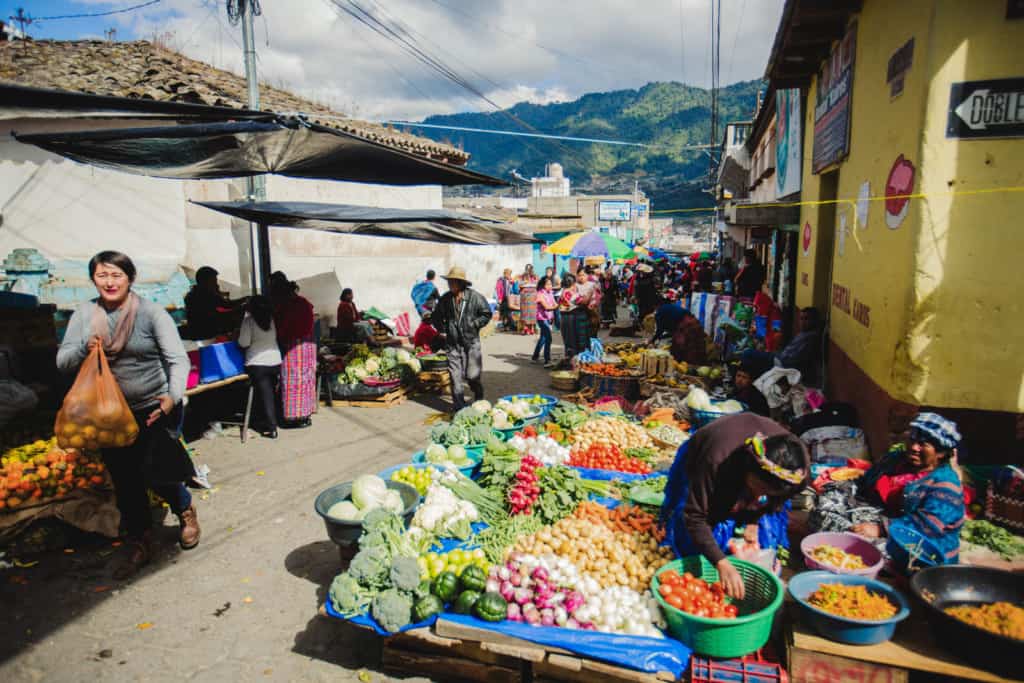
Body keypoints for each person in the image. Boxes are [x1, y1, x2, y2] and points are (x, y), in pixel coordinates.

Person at [57, 251, 198, 579]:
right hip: (107, 415)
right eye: (102, 275)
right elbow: (62, 363)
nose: (109, 282)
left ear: (130, 279)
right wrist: (83, 347)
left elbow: (178, 360)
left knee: (160, 471)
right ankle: (140, 539)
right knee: (126, 479)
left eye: (116, 275)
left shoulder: (150, 313)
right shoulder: (83, 315)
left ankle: (185, 510)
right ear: (93, 279)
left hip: (153, 407)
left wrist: (170, 397)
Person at [661, 413, 809, 598]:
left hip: (745, 463)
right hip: (708, 448)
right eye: (757, 487)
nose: (759, 497)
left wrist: (754, 520)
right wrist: (721, 562)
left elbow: (776, 501)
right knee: (702, 518)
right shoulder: (715, 460)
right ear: (747, 470)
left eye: (768, 493)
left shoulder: (796, 474)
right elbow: (695, 515)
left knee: (762, 524)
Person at [850, 413, 965, 564]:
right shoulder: (895, 460)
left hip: (925, 548)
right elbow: (867, 481)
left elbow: (927, 526)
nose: (914, 447)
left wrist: (881, 529)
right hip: (884, 519)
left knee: (858, 550)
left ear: (941, 453)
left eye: (923, 444)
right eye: (912, 440)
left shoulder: (946, 485)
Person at [431, 266, 492, 411]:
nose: (450, 284)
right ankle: (459, 408)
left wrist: (474, 324)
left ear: (461, 283)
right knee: (455, 377)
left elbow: (486, 313)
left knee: (472, 376)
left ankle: (478, 395)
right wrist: (442, 330)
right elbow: (436, 316)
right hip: (452, 344)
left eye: (453, 282)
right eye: (449, 281)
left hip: (471, 342)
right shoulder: (446, 299)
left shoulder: (474, 297)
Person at [270, 273, 316, 429]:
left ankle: (292, 418)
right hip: (307, 346)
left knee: (292, 381)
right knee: (305, 380)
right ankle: (305, 414)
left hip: (292, 346)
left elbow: (281, 328)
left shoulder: (286, 306)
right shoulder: (304, 302)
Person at [237, 295, 282, 439]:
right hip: (275, 362)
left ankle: (271, 427)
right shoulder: (272, 320)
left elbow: (243, 343)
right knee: (270, 393)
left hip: (257, 364)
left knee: (266, 394)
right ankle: (272, 420)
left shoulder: (248, 321)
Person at [183, 266, 247, 340]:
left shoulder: (192, 294)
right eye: (214, 280)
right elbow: (227, 305)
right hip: (208, 329)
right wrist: (244, 300)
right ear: (207, 281)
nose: (216, 283)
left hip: (197, 329)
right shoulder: (206, 294)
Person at [558, 274, 589, 360]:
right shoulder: (571, 293)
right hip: (571, 317)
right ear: (573, 283)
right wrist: (588, 294)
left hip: (563, 317)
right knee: (573, 339)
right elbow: (583, 302)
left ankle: (568, 357)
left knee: (567, 339)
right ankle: (573, 360)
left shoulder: (562, 291)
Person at [532, 276, 557, 367]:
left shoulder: (550, 293)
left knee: (543, 338)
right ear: (543, 285)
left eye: (551, 284)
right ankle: (547, 361)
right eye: (548, 284)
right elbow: (547, 307)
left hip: (548, 318)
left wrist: (557, 305)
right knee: (548, 339)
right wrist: (558, 306)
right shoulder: (539, 294)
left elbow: (554, 303)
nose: (550, 286)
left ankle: (535, 357)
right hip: (542, 319)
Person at [518, 264, 539, 336]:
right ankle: (525, 327)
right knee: (524, 312)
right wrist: (526, 282)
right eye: (527, 269)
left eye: (530, 269)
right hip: (525, 296)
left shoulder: (535, 276)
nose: (528, 271)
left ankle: (532, 328)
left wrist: (531, 282)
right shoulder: (522, 276)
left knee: (532, 312)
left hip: (533, 295)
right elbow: (519, 285)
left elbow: (537, 284)